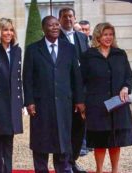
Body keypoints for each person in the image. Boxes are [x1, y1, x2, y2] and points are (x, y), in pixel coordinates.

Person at [23, 15, 85, 173]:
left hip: (65, 104)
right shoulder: (33, 49)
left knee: (63, 143)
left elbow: (76, 76)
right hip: (41, 105)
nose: (56, 27)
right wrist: (29, 101)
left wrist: (79, 100)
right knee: (40, 144)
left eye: (57, 24)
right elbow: (27, 78)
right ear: (43, 29)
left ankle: (63, 169)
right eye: (51, 25)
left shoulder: (69, 48)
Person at [80, 22, 132, 173]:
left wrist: (126, 87)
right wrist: (82, 103)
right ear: (98, 36)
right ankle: (99, 170)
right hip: (96, 106)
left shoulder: (120, 54)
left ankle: (115, 170)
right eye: (105, 34)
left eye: (111, 34)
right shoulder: (88, 56)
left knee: (115, 141)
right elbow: (81, 81)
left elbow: (129, 76)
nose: (108, 37)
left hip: (117, 104)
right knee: (99, 141)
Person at [0, 17, 23, 173]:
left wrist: (21, 103)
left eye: (11, 30)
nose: (9, 33)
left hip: (13, 103)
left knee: (9, 143)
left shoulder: (17, 50)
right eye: (5, 30)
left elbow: (18, 78)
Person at [58, 7, 89, 173]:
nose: (68, 19)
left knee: (79, 128)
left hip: (81, 92)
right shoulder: (55, 37)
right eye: (64, 16)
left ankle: (73, 160)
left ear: (75, 18)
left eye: (70, 16)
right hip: (63, 93)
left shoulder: (82, 38)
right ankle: (64, 164)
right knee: (65, 130)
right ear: (59, 19)